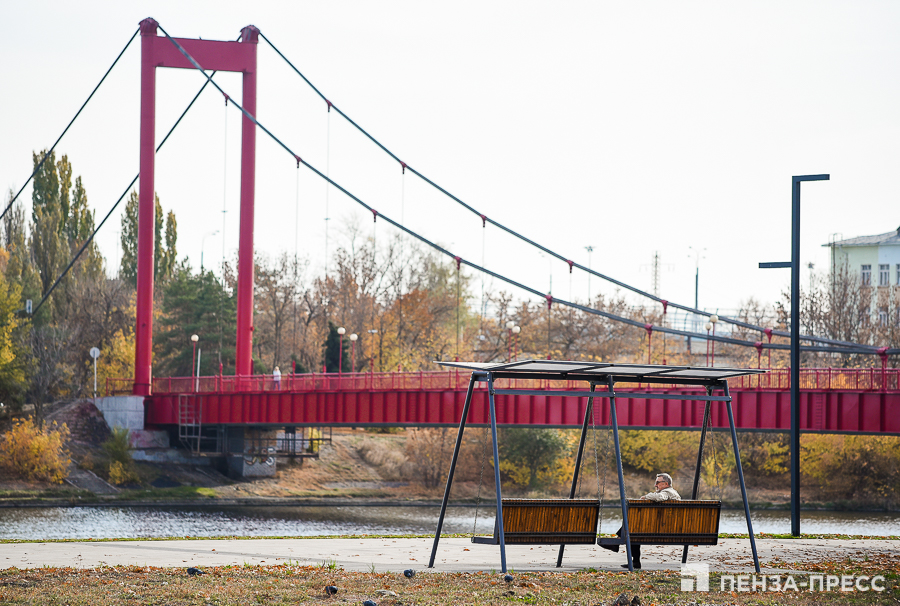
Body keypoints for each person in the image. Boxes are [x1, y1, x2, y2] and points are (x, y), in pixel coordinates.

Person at [601, 473, 681, 569]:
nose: (655, 485)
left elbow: (659, 497)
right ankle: (634, 561)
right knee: (634, 529)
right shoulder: (670, 492)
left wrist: (646, 496)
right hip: (666, 526)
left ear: (666, 484)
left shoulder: (668, 492)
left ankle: (617, 543)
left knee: (633, 529)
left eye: (657, 482)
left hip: (664, 528)